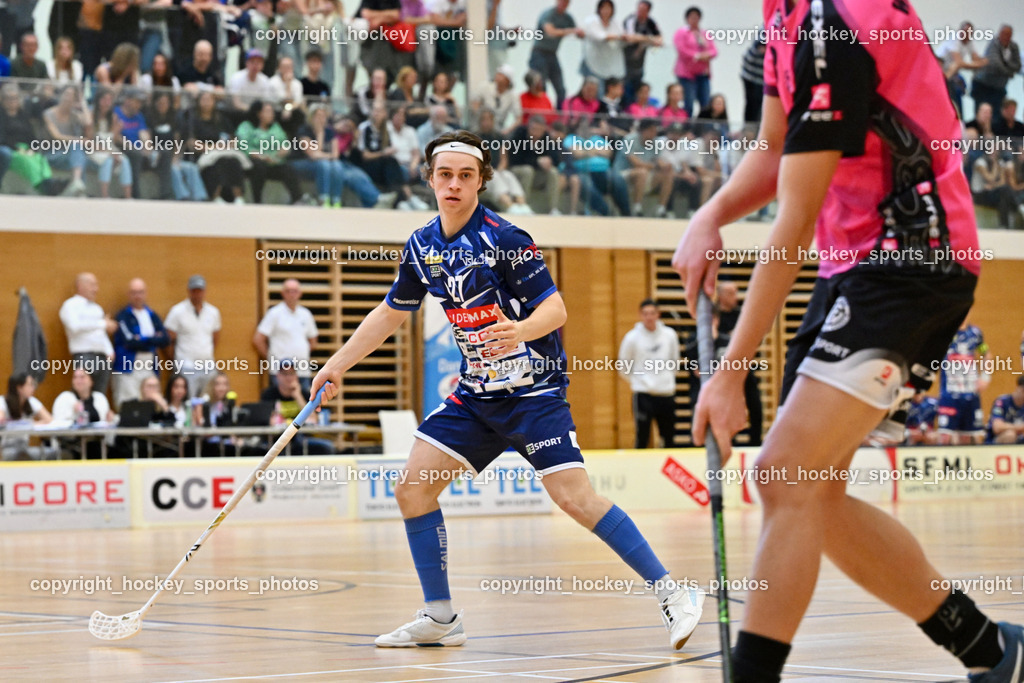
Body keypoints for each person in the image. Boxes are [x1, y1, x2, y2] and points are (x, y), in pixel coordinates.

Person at [671, 0, 1024, 679]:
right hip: (851, 263)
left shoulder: (833, 26)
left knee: (784, 473)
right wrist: (709, 214)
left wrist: (729, 373)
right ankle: (989, 648)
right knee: (808, 491)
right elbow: (775, 149)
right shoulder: (783, 17)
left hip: (915, 256)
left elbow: (796, 214)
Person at [310, 129, 704, 650]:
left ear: (480, 182)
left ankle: (673, 593)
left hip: (533, 394)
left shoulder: (506, 239)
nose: (453, 185)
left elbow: (555, 309)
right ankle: (441, 618)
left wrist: (519, 331)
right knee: (412, 487)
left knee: (574, 498)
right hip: (477, 397)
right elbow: (391, 311)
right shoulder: (423, 244)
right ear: (429, 178)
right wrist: (336, 364)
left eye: (465, 176)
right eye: (444, 175)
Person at [618, 299, 679, 448]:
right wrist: (638, 381)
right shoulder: (632, 337)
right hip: (643, 394)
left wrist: (666, 379)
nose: (649, 317)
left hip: (666, 393)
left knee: (669, 437)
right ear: (640, 315)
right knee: (642, 437)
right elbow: (623, 365)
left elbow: (675, 361)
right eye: (645, 314)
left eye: (652, 313)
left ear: (658, 314)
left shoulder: (670, 335)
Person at [113, 278, 171, 410]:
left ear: (145, 293)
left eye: (140, 292)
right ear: (128, 295)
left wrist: (142, 339)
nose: (137, 296)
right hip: (128, 368)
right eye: (134, 292)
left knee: (152, 403)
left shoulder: (152, 315)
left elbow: (165, 339)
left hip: (149, 365)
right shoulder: (123, 316)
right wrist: (152, 339)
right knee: (129, 404)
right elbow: (129, 341)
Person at [716, 281, 762, 446]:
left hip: (744, 365)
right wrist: (732, 338)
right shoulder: (715, 315)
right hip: (723, 369)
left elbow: (755, 336)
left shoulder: (742, 314)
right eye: (730, 293)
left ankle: (755, 443)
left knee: (755, 406)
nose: (735, 296)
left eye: (736, 292)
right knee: (727, 407)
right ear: (720, 295)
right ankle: (729, 443)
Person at [254, 278, 319, 392]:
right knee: (281, 406)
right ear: (283, 293)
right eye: (288, 291)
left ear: (300, 293)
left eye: (294, 291)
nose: (292, 294)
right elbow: (258, 339)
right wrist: (272, 358)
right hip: (280, 372)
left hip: (302, 370)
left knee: (304, 403)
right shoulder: (274, 313)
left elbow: (313, 341)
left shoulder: (306, 314)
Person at [165, 275, 222, 398]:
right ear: (189, 291)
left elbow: (215, 338)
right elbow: (168, 340)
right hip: (186, 365)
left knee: (210, 400)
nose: (197, 294)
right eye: (194, 290)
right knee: (188, 401)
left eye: (200, 291)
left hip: (208, 365)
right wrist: (174, 361)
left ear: (204, 291)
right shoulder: (177, 311)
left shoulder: (213, 312)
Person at [237, 101, 305, 205]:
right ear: (259, 113)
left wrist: (285, 149)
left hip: (273, 162)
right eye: (268, 111)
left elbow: (285, 143)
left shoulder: (275, 127)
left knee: (288, 168)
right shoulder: (247, 126)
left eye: (272, 112)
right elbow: (242, 144)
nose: (272, 114)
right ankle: (257, 201)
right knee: (259, 166)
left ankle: (297, 200)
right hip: (252, 163)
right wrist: (258, 155)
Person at [59, 273, 117, 394]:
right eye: (92, 285)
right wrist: (102, 323)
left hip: (103, 357)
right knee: (81, 392)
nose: (96, 289)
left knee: (99, 395)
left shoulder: (97, 308)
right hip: (84, 355)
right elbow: (75, 326)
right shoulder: (70, 305)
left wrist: (109, 350)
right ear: (80, 286)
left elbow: (101, 334)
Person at [937, 318, 992, 445]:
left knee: (969, 437)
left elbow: (987, 354)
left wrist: (985, 377)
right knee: (945, 436)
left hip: (971, 393)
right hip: (949, 393)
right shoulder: (944, 332)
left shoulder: (975, 333)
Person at [260, 361, 334, 454]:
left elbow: (313, 419)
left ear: (296, 376)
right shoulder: (268, 395)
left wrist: (297, 395)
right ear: (278, 376)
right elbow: (268, 421)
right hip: (276, 439)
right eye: (285, 374)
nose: (288, 378)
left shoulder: (305, 394)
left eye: (291, 374)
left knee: (326, 447)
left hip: (302, 439)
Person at [528, 0, 585, 109]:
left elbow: (577, 32)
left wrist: (580, 34)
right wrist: (570, 31)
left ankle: (560, 117)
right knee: (541, 87)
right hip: (539, 53)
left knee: (561, 89)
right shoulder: (548, 14)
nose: (563, 3)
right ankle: (543, 115)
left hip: (552, 55)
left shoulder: (567, 18)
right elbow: (550, 31)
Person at [672, 6, 716, 118]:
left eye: (696, 17)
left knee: (705, 103)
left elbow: (714, 50)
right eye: (692, 17)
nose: (694, 20)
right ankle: (687, 130)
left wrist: (706, 55)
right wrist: (697, 56)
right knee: (689, 103)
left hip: (703, 74)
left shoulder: (704, 34)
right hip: (687, 75)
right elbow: (682, 50)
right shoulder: (682, 33)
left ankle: (704, 130)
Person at [1, 374, 54, 460]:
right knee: (21, 455)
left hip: (24, 446)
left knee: (52, 453)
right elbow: (1, 421)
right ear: (19, 388)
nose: (33, 387)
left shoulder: (31, 401)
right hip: (7, 447)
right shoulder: (3, 401)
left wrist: (32, 424)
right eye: (30, 384)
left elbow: (49, 419)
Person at [971, 25, 1021, 115]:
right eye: (1003, 34)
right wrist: (1009, 72)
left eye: (1008, 35)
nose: (1005, 37)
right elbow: (995, 64)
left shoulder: (1014, 47)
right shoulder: (994, 43)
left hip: (999, 87)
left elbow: (1017, 65)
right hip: (984, 85)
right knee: (981, 113)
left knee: (996, 115)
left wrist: (1005, 64)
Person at [621, 0, 662, 106]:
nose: (640, 12)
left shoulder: (650, 22)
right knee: (625, 92)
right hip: (626, 63)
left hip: (639, 65)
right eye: (639, 9)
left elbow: (660, 40)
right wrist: (648, 38)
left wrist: (644, 39)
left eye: (643, 10)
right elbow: (630, 37)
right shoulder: (631, 19)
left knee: (636, 92)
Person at [579, 0, 625, 92]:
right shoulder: (592, 21)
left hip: (608, 64)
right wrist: (617, 37)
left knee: (606, 92)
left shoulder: (615, 23)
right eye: (604, 8)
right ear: (599, 9)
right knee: (594, 91)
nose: (606, 11)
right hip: (592, 63)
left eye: (609, 8)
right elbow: (600, 36)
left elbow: (624, 37)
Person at [986, 376, 1024, 444]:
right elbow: (997, 427)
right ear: (1019, 388)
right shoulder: (1002, 401)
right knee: (1010, 435)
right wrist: (1020, 427)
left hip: (1019, 440)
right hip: (996, 441)